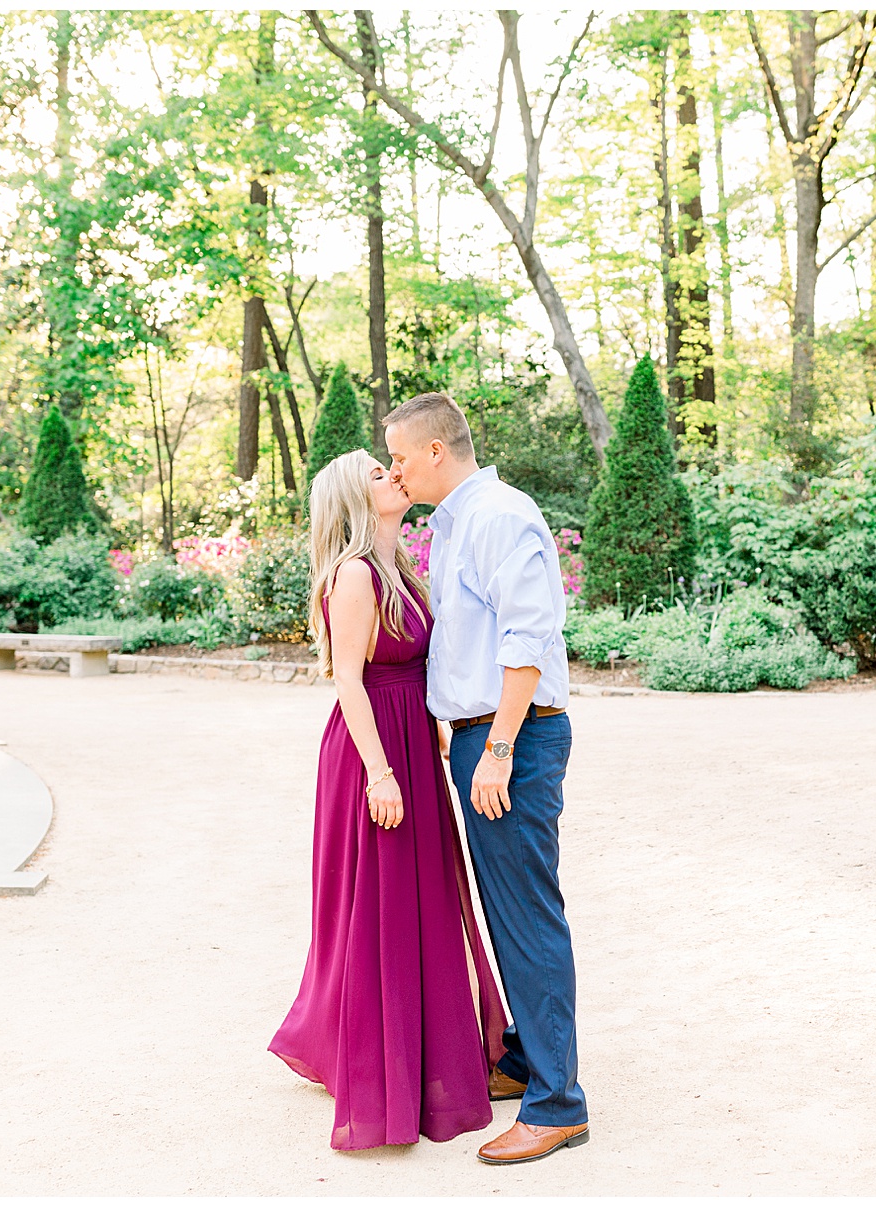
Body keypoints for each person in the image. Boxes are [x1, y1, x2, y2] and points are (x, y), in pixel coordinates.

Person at [269, 448, 509, 1152]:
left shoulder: (402, 566)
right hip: (371, 750)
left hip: (410, 740)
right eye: (378, 473)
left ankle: (426, 1050)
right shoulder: (353, 574)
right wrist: (380, 773)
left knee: (423, 894)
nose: (393, 475)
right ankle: (381, 1065)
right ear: (354, 496)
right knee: (380, 902)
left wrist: (431, 725)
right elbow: (348, 678)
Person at [383, 392, 591, 1167]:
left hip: (515, 739)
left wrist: (499, 745)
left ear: (437, 450)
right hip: (481, 737)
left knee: (528, 912)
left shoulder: (500, 515)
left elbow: (528, 635)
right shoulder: (456, 522)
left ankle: (558, 1104)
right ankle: (527, 1058)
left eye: (401, 455)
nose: (396, 469)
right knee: (505, 909)